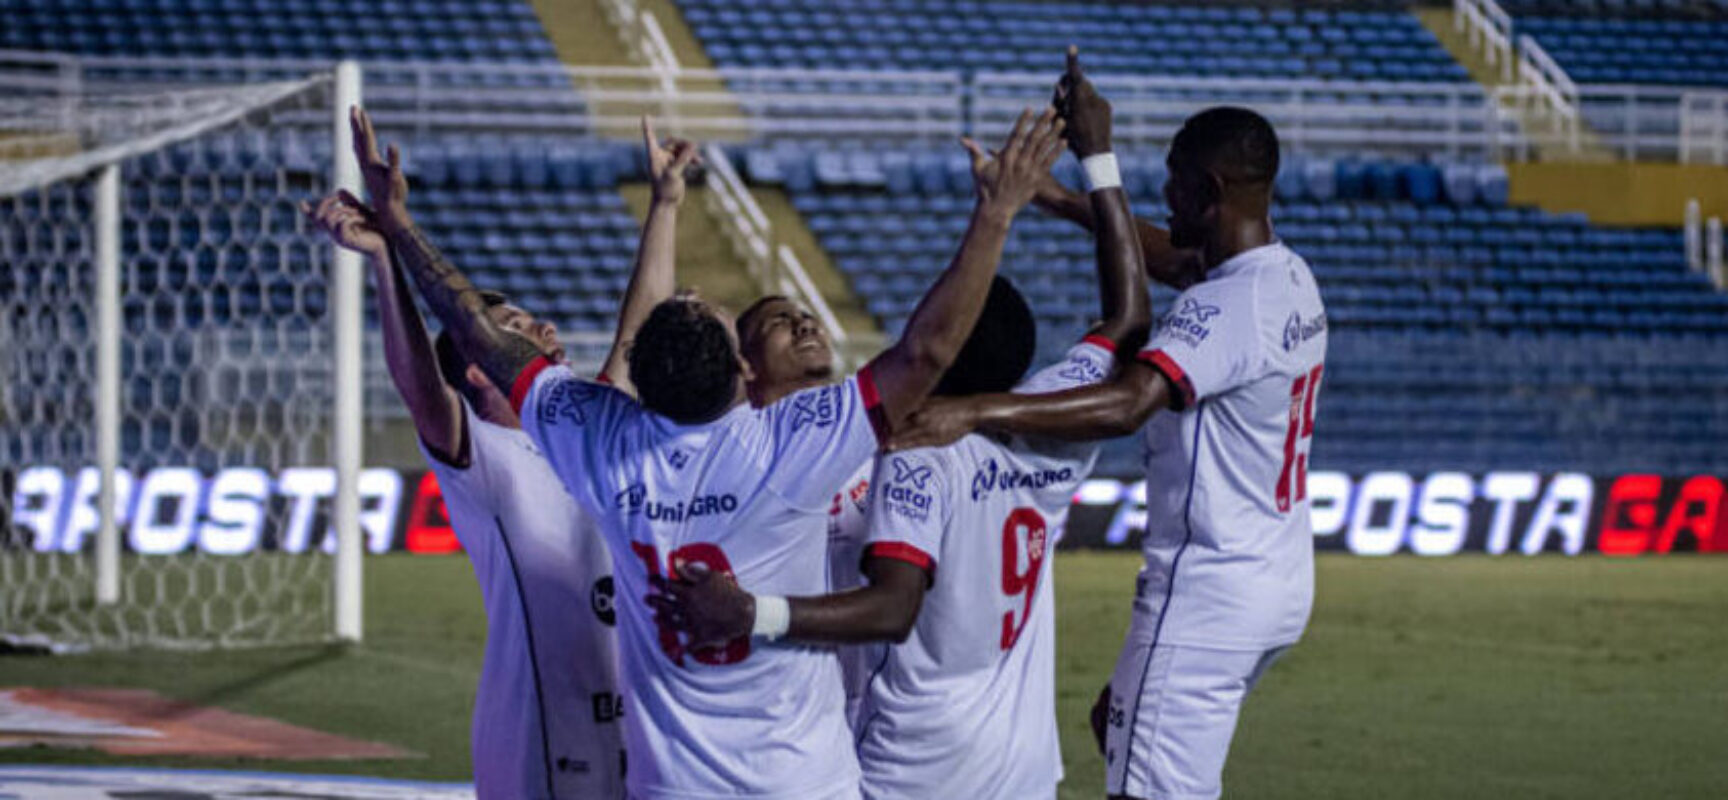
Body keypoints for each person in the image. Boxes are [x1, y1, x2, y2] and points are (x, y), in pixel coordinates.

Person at [348, 101, 1066, 799]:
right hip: (801, 779)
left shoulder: (595, 444)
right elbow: (931, 348)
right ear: (744, 373)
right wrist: (995, 214)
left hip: (672, 781)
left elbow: (475, 332)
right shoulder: (792, 443)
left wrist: (401, 228)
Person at [893, 101, 1328, 800]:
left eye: (1175, 183)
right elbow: (1170, 261)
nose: (1165, 198)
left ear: (1210, 193)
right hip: (1274, 582)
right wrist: (1064, 196)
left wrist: (972, 410)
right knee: (1123, 727)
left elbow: (1127, 405)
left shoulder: (1222, 309)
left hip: (1205, 591)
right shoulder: (1283, 278)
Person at [299, 115, 700, 800]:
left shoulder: (590, 427)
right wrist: (384, 257)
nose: (544, 329)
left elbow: (636, 328)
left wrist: (664, 205)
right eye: (517, 330)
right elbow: (419, 384)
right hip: (540, 735)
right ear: (481, 373)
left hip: (636, 725)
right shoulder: (481, 455)